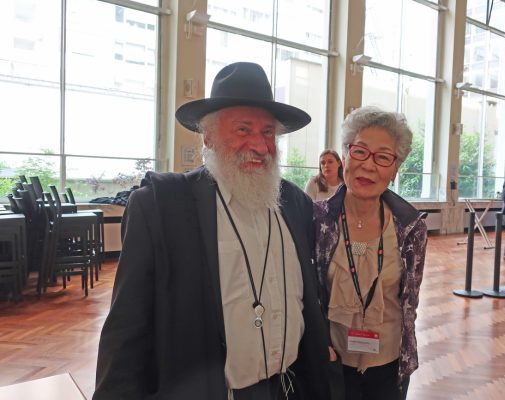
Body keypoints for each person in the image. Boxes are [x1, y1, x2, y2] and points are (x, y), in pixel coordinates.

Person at [93, 62, 332, 400]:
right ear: (208, 135)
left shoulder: (296, 204)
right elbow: (126, 328)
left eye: (268, 132)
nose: (260, 145)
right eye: (243, 129)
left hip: (289, 388)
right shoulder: (162, 208)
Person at [313, 106, 428, 400]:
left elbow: (410, 302)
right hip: (332, 360)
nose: (369, 165)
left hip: (388, 362)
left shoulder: (410, 227)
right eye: (360, 151)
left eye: (383, 157)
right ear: (345, 156)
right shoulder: (317, 220)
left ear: (395, 169)